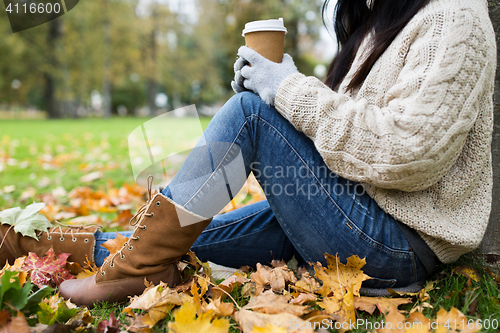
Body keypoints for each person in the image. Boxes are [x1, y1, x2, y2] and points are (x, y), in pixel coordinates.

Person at [1, 0, 495, 307]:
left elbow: (408, 154)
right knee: (186, 240)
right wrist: (285, 85)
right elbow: (345, 128)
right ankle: (33, 246)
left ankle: (132, 270)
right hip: (355, 212)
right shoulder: (381, 22)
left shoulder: (455, 15)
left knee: (251, 114)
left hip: (396, 245)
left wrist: (284, 92)